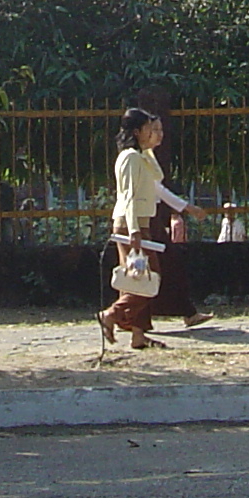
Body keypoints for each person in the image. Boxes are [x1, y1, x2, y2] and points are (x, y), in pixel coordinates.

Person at [97, 107, 191, 349]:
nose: (154, 134)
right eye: (149, 129)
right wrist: (135, 232)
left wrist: (148, 148)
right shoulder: (130, 157)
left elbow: (156, 177)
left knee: (137, 279)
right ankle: (111, 314)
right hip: (132, 223)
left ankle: (138, 334)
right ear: (137, 131)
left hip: (139, 221)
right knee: (149, 279)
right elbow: (128, 196)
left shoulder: (139, 157)